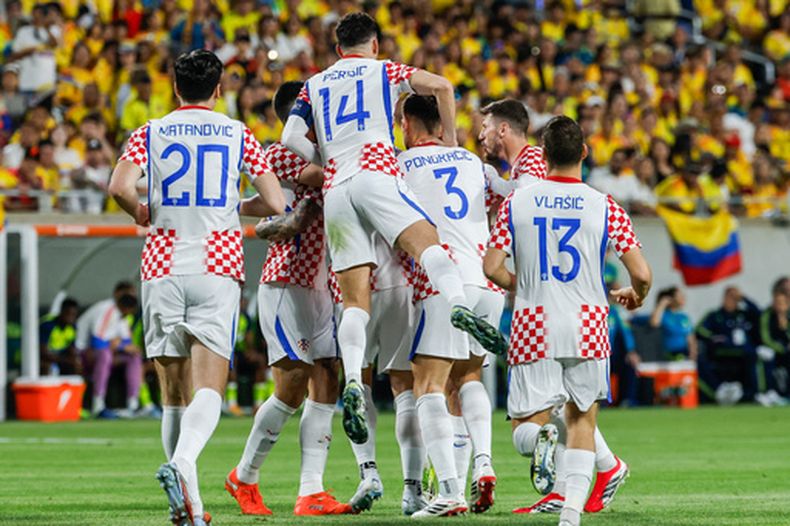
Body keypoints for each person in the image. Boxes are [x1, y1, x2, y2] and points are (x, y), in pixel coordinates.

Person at [281, 12, 505, 447]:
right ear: (376, 44)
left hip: (339, 185)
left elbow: (291, 136)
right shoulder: (386, 71)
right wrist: (454, 142)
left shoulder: (315, 83)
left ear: (337, 46)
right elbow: (440, 85)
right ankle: (458, 303)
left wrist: (328, 159)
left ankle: (350, 378)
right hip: (377, 169)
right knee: (428, 245)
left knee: (353, 301)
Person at [108, 49, 285, 526]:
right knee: (210, 385)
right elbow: (273, 200)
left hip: (162, 263)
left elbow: (119, 185)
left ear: (173, 86)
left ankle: (186, 505)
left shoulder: (150, 131)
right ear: (220, 88)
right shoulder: (238, 133)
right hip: (217, 264)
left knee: (172, 392)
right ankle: (184, 465)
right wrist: (233, 203)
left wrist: (140, 213)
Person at [483, 116, 651, 526]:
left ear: (542, 155)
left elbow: (491, 267)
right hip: (589, 322)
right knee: (581, 419)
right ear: (584, 153)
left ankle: (541, 438)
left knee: (528, 422)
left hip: (533, 320)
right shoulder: (605, 205)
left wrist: (520, 285)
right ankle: (570, 516)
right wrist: (636, 295)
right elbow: (642, 275)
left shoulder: (517, 202)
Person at [224, 80, 352, 517]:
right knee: (293, 382)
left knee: (327, 379)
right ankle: (244, 476)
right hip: (286, 282)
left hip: (322, 284)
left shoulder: (320, 154)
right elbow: (321, 180)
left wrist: (239, 206)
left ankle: (311, 490)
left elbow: (271, 203)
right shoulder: (284, 151)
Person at [398, 94, 504, 516]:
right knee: (469, 377)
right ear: (441, 126)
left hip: (443, 282)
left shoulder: (400, 166)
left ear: (407, 125)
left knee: (428, 384)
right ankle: (483, 463)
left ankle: (447, 492)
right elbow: (501, 198)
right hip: (486, 281)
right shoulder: (472, 162)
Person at [75, 283, 141, 418]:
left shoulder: (123, 316)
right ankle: (98, 405)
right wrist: (118, 345)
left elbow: (127, 343)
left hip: (107, 354)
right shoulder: (107, 309)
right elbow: (97, 343)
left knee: (134, 356)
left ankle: (132, 406)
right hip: (83, 354)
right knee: (105, 355)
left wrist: (120, 345)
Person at [696, 287, 762, 405]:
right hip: (723, 351)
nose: (732, 301)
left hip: (744, 353)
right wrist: (713, 337)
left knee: (756, 356)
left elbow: (759, 315)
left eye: (735, 298)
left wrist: (744, 298)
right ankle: (718, 393)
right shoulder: (715, 315)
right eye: (730, 297)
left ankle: (754, 394)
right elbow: (700, 330)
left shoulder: (744, 315)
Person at [478, 98, 547, 198]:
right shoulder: (517, 168)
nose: (481, 136)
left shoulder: (536, 155)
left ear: (502, 129)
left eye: (485, 127)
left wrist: (492, 179)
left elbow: (524, 192)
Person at [650, 286, 698, 360]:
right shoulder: (663, 315)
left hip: (684, 356)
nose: (683, 297)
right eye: (680, 296)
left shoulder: (684, 317)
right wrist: (662, 304)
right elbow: (654, 323)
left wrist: (693, 353)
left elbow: (690, 336)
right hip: (665, 357)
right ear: (671, 299)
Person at [39, 298, 80, 376]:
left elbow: (71, 349)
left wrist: (75, 359)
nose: (71, 318)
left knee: (76, 365)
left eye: (74, 315)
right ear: (62, 312)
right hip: (46, 359)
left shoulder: (72, 328)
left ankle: (72, 387)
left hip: (60, 358)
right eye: (68, 314)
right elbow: (43, 352)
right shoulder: (48, 326)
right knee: (46, 366)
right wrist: (66, 360)